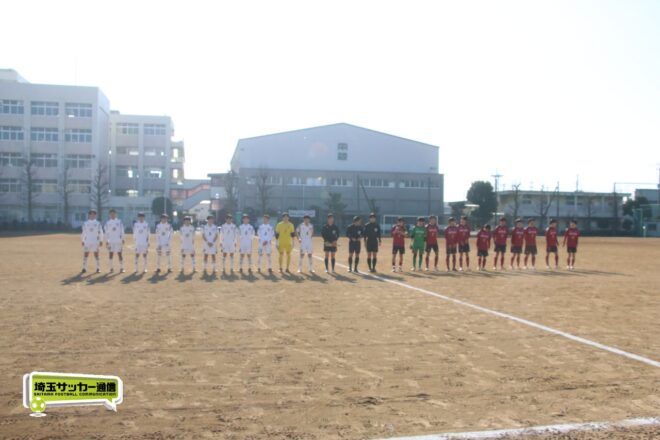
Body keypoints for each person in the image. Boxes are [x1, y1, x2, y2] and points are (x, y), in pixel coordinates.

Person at [81, 209, 103, 273]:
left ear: (95, 215)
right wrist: (82, 240)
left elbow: (101, 232)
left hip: (95, 241)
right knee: (86, 254)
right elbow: (83, 232)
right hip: (87, 241)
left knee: (96, 254)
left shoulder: (98, 223)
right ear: (89, 215)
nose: (92, 216)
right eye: (91, 214)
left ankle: (98, 268)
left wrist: (101, 240)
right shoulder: (85, 223)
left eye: (94, 214)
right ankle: (84, 268)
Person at [104, 209, 125, 273]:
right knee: (111, 254)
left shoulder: (119, 221)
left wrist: (123, 238)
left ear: (116, 214)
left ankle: (122, 268)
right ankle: (111, 268)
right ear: (109, 215)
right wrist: (107, 240)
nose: (112, 215)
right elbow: (106, 232)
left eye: (114, 214)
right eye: (111, 214)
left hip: (118, 240)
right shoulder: (108, 223)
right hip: (111, 241)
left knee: (120, 254)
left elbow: (122, 231)